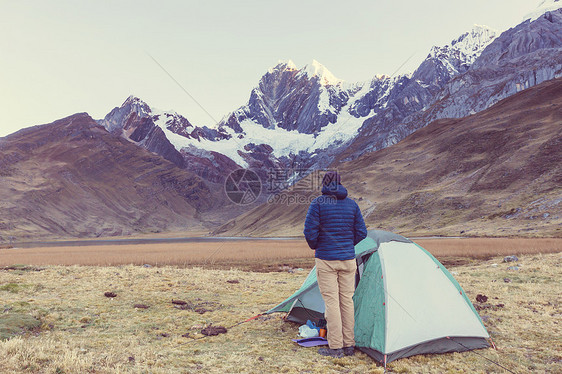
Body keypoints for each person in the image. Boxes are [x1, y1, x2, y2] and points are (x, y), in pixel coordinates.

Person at [303, 171, 367, 358]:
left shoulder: (318, 204)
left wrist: (317, 245)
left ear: (324, 184)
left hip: (326, 260)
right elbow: (361, 232)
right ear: (341, 183)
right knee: (347, 301)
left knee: (332, 302)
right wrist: (347, 245)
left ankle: (336, 347)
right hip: (348, 260)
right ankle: (349, 346)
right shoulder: (352, 204)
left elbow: (309, 231)